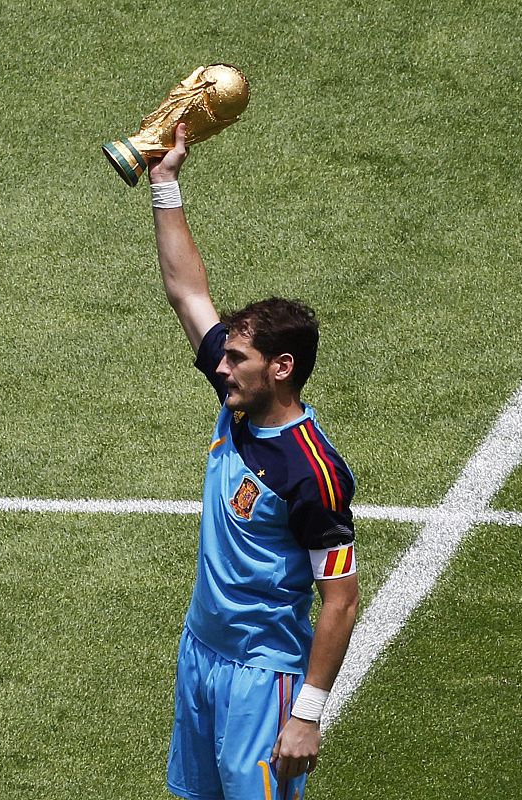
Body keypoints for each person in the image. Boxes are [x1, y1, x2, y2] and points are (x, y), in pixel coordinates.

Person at [147, 124, 359, 800]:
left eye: (237, 358)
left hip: (261, 677)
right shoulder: (239, 405)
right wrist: (164, 183)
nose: (221, 366)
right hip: (201, 654)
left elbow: (341, 601)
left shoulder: (313, 472)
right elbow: (186, 292)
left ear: (282, 367)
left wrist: (307, 714)